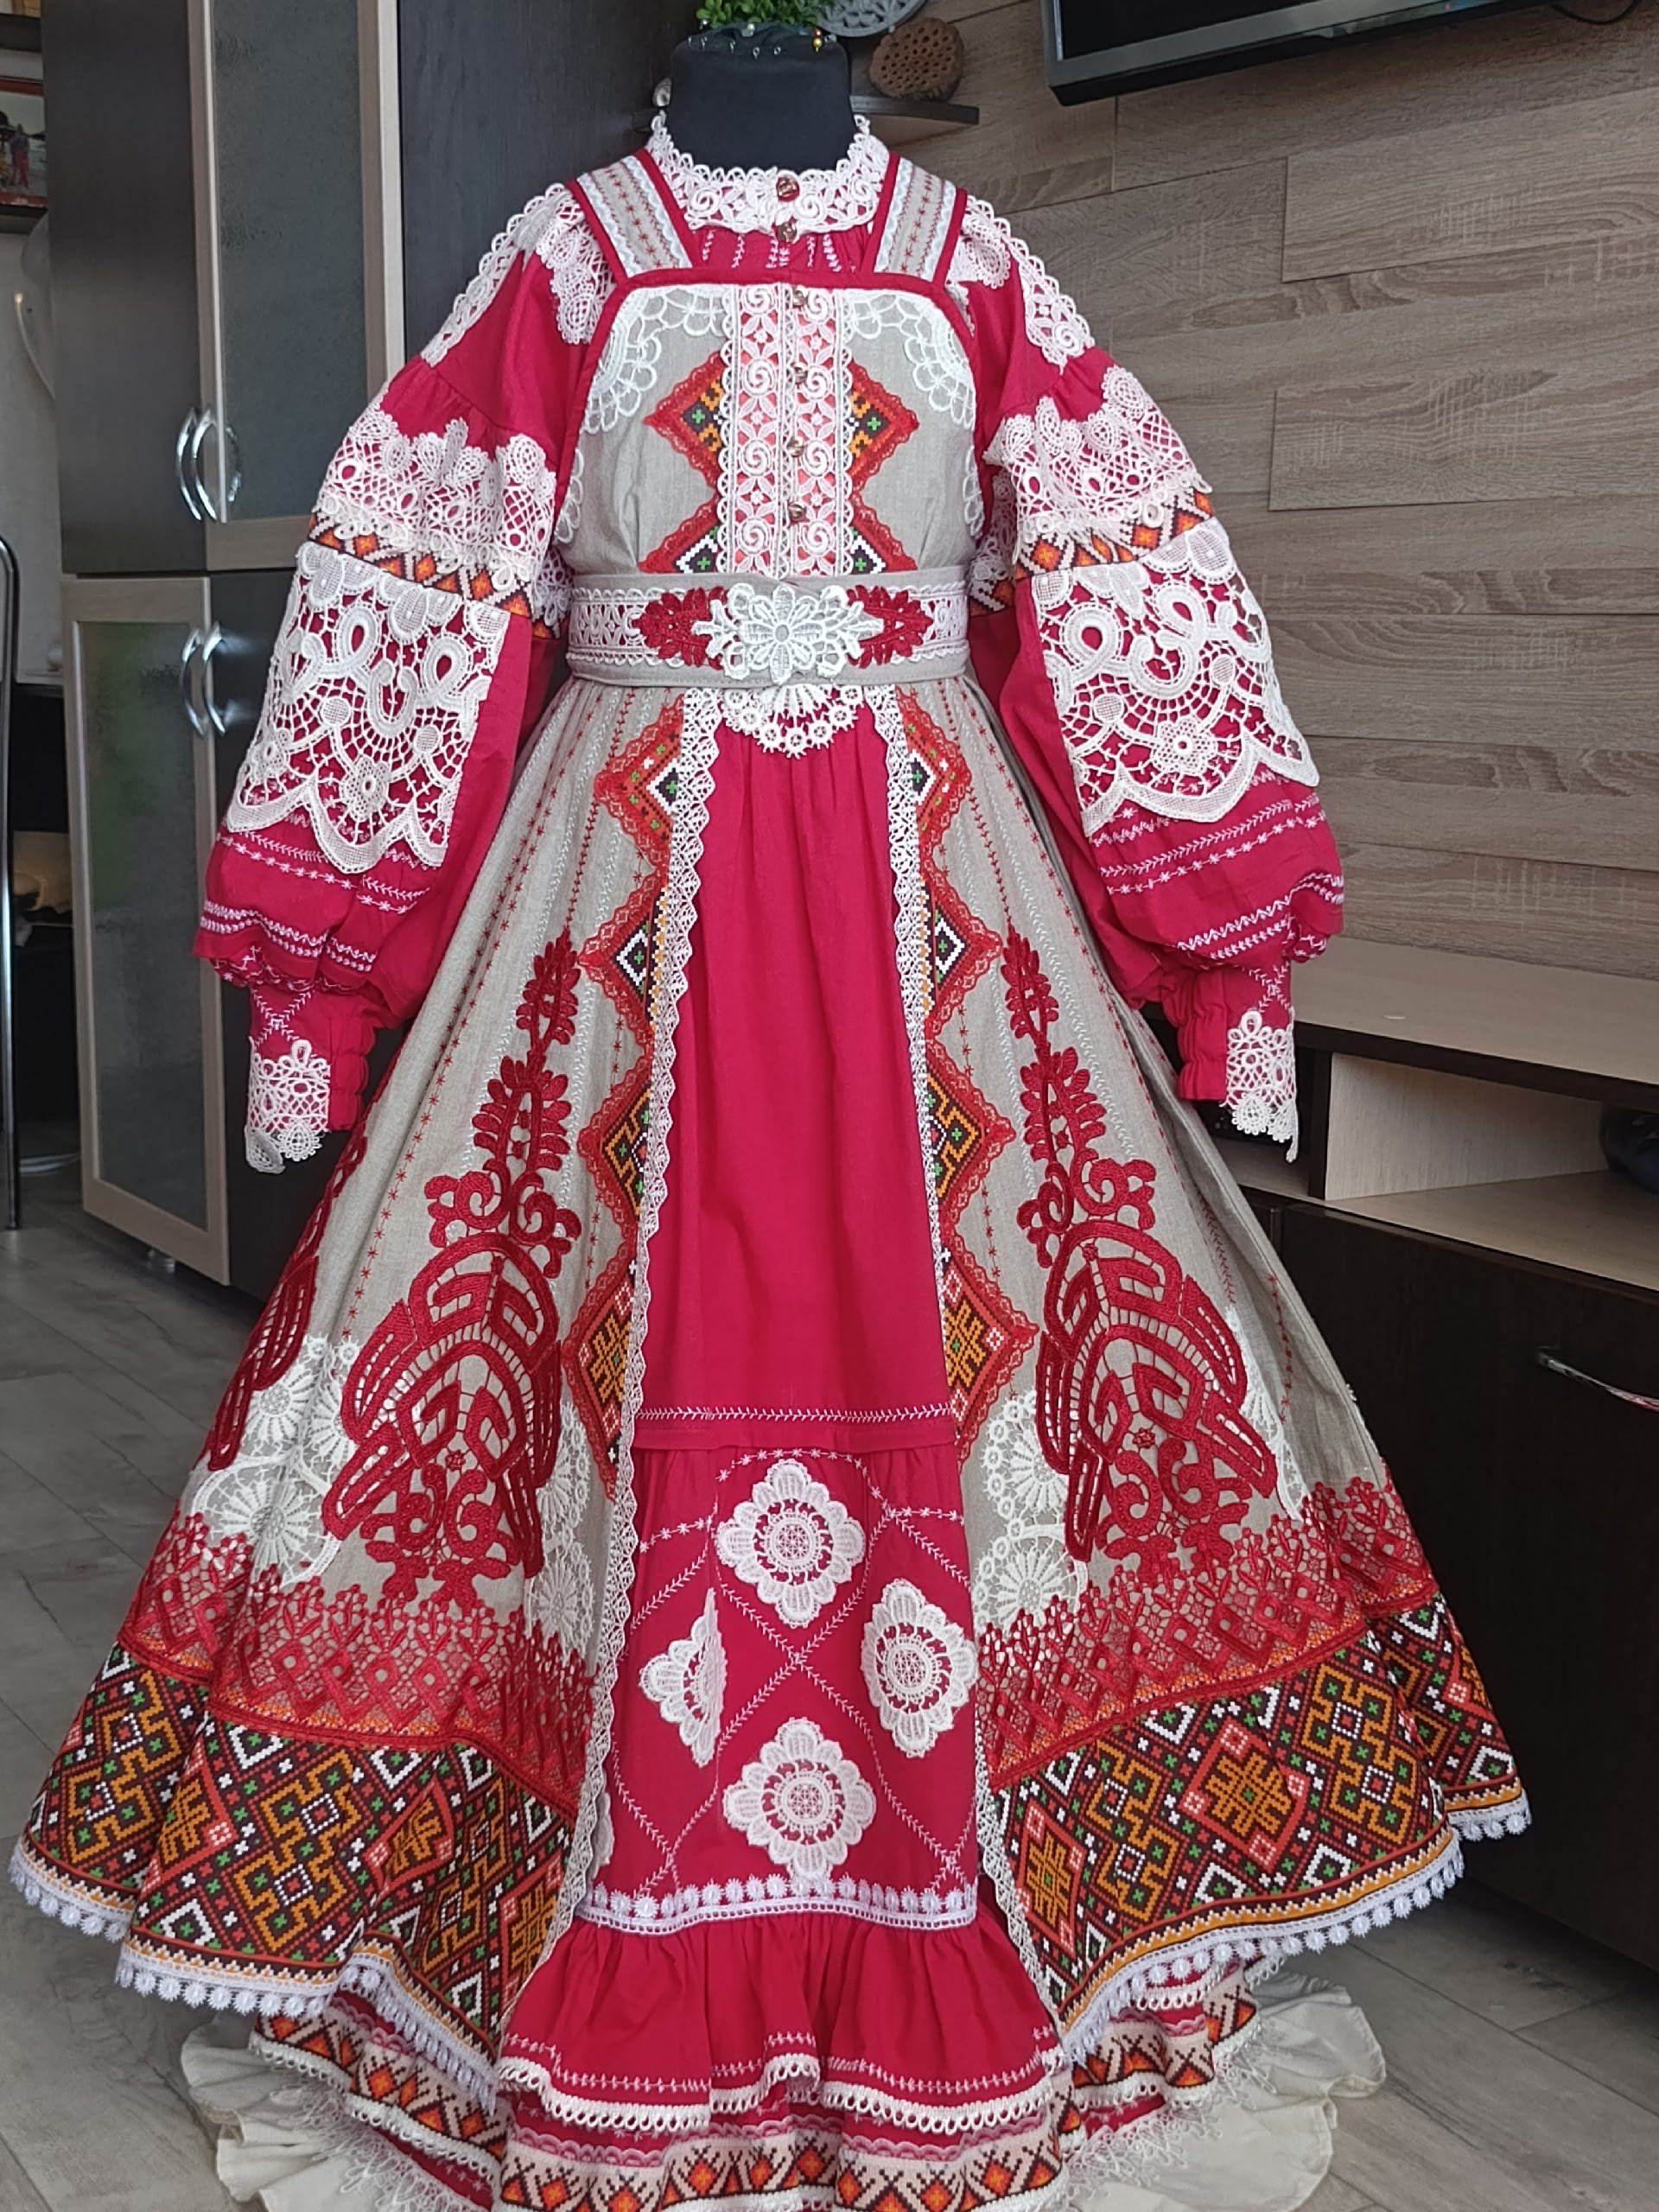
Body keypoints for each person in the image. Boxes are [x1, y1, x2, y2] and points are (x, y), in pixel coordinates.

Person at [14, 27, 1524, 2211]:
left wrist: (1214, 917)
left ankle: (988, 1920)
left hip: (936, 872)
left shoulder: (970, 261)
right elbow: (410, 584)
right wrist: (330, 943)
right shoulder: (569, 259)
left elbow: (1126, 573)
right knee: (556, 1346)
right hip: (621, 877)